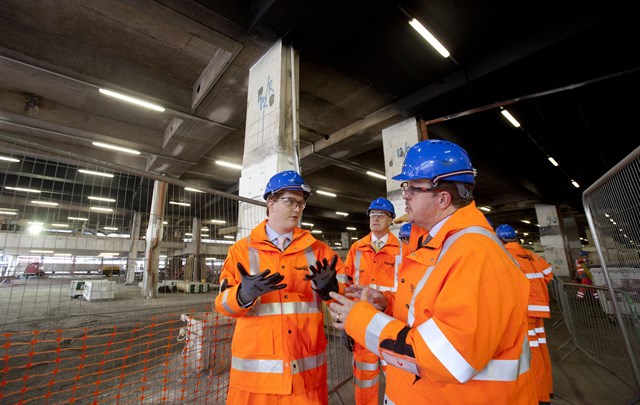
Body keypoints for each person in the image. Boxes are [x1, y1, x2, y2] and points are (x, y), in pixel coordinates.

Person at [327, 139, 537, 404]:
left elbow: (447, 357)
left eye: (412, 188)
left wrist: (359, 319)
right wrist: (386, 304)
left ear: (442, 198)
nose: (405, 195)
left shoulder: (475, 254)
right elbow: (427, 314)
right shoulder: (438, 244)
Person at [214, 170, 348, 405]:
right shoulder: (240, 252)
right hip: (253, 386)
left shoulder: (320, 252)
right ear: (271, 203)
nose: (297, 209)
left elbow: (347, 304)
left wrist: (332, 291)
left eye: (301, 204)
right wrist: (242, 295)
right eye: (290, 201)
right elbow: (223, 305)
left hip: (304, 381)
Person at [342, 197, 404, 405]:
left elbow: (408, 290)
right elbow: (346, 285)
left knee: (399, 379)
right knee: (363, 379)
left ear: (391, 220)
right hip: (363, 325)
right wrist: (346, 323)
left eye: (381, 214)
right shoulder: (357, 248)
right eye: (372, 214)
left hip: (391, 325)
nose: (375, 218)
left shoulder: (402, 250)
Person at [496, 223, 554, 405]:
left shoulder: (505, 256)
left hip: (525, 310)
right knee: (541, 349)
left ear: (500, 238)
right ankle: (548, 388)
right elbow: (548, 275)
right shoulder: (532, 256)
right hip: (540, 309)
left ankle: (540, 396)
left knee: (531, 353)